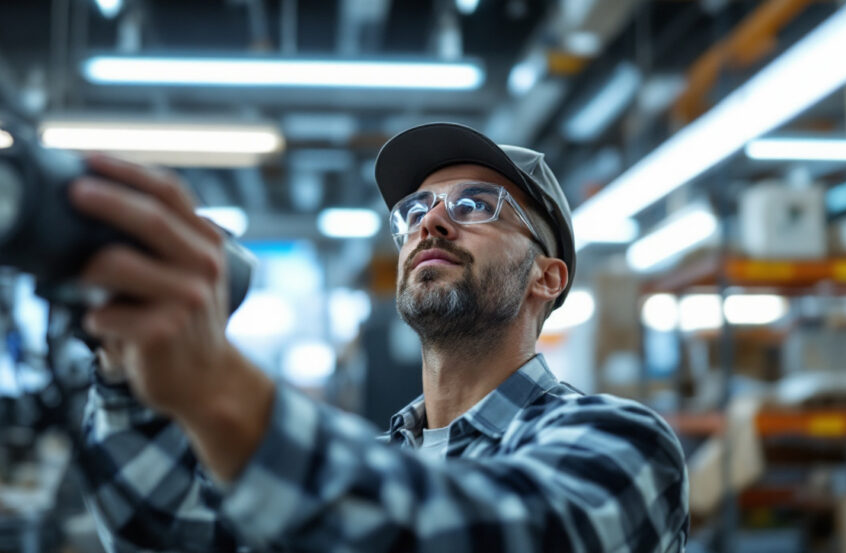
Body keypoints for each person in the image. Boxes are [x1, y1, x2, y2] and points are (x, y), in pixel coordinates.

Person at [71, 122, 689, 553]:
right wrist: (125, 366)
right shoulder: (380, 459)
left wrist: (219, 390)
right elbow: (167, 531)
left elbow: (480, 537)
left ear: (546, 279)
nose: (433, 221)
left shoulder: (621, 445)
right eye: (415, 211)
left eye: (477, 205)